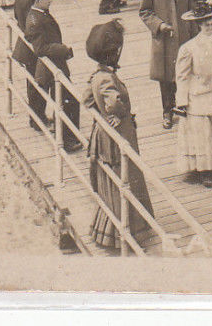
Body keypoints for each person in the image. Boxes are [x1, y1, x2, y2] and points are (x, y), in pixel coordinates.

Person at [82, 19, 157, 254]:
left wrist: (102, 116)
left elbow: (86, 100)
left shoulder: (97, 75)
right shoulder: (106, 78)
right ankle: (128, 231)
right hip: (119, 134)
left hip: (105, 134)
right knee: (126, 177)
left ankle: (112, 229)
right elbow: (113, 101)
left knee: (116, 181)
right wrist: (119, 113)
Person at [21, 0, 83, 153]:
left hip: (53, 64)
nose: (51, 0)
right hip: (52, 65)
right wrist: (64, 50)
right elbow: (40, 48)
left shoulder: (39, 13)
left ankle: (64, 134)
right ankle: (68, 140)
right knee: (67, 100)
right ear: (37, 0)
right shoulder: (36, 20)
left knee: (63, 99)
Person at [174, 1, 212, 188]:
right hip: (196, 95)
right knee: (200, 133)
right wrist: (181, 101)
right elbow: (182, 77)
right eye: (206, 24)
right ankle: (202, 170)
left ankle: (211, 165)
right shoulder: (188, 48)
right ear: (199, 25)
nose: (210, 27)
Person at [138, 0, 185, 130]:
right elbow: (145, 12)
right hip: (164, 38)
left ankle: (183, 106)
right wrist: (160, 25)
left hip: (183, 35)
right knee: (165, 76)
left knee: (183, 71)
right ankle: (167, 111)